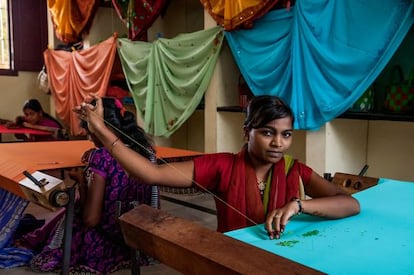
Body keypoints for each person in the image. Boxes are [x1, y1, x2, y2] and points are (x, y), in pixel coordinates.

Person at [74, 95, 360, 240]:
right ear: (246, 131)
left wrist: (299, 205)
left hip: (282, 259)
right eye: (267, 132)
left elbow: (349, 204)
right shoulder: (222, 166)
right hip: (230, 258)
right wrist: (100, 128)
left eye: (286, 134)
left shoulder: (293, 170)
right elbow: (149, 173)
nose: (278, 143)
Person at [29, 97, 157, 274]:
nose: (89, 137)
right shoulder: (145, 151)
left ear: (101, 128)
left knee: (69, 211)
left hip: (107, 242)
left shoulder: (102, 158)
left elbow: (91, 220)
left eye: (90, 131)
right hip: (137, 238)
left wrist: (82, 181)